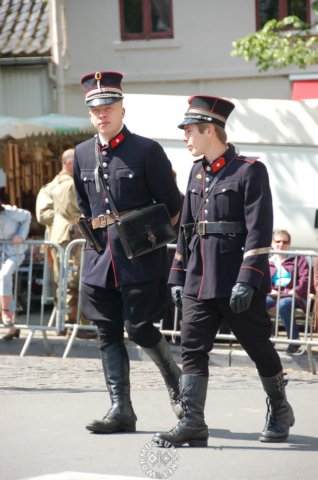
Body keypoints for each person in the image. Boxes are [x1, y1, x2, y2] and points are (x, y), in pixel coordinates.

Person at [152, 95, 295, 448]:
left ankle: (279, 408)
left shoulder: (249, 170)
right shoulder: (196, 171)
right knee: (192, 349)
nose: (185, 137)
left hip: (235, 279)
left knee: (258, 345)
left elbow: (260, 230)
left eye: (190, 131)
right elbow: (186, 228)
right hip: (199, 279)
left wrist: (248, 279)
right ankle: (192, 421)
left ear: (210, 130)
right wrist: (177, 275)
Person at [73, 70, 182, 434]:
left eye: (109, 107)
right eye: (95, 110)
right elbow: (83, 204)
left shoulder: (146, 150)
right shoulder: (81, 153)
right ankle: (121, 409)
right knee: (106, 333)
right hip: (100, 258)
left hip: (140, 256)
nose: (102, 114)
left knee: (138, 327)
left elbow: (172, 204)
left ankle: (175, 380)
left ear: (122, 109)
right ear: (90, 114)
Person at [36, 149, 93, 338]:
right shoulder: (70, 185)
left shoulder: (49, 187)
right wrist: (65, 220)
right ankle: (75, 324)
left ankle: (65, 323)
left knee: (62, 281)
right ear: (70, 164)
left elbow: (43, 215)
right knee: (75, 280)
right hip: (73, 236)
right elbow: (80, 209)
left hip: (58, 238)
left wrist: (57, 221)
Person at [266, 229, 309, 354]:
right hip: (273, 294)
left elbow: (305, 278)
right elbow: (261, 279)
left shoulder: (298, 259)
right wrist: (269, 290)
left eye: (285, 242)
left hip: (293, 295)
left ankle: (294, 341)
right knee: (260, 304)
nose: (281, 244)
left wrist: (295, 290)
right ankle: (267, 337)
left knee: (283, 304)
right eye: (278, 241)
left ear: (289, 244)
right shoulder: (267, 260)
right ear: (272, 243)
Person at [0, 198, 31, 340]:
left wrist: (20, 235)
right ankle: (12, 327)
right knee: (3, 283)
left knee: (4, 275)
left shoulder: (9, 212)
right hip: (2, 253)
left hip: (14, 252)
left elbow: (27, 216)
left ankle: (5, 312)